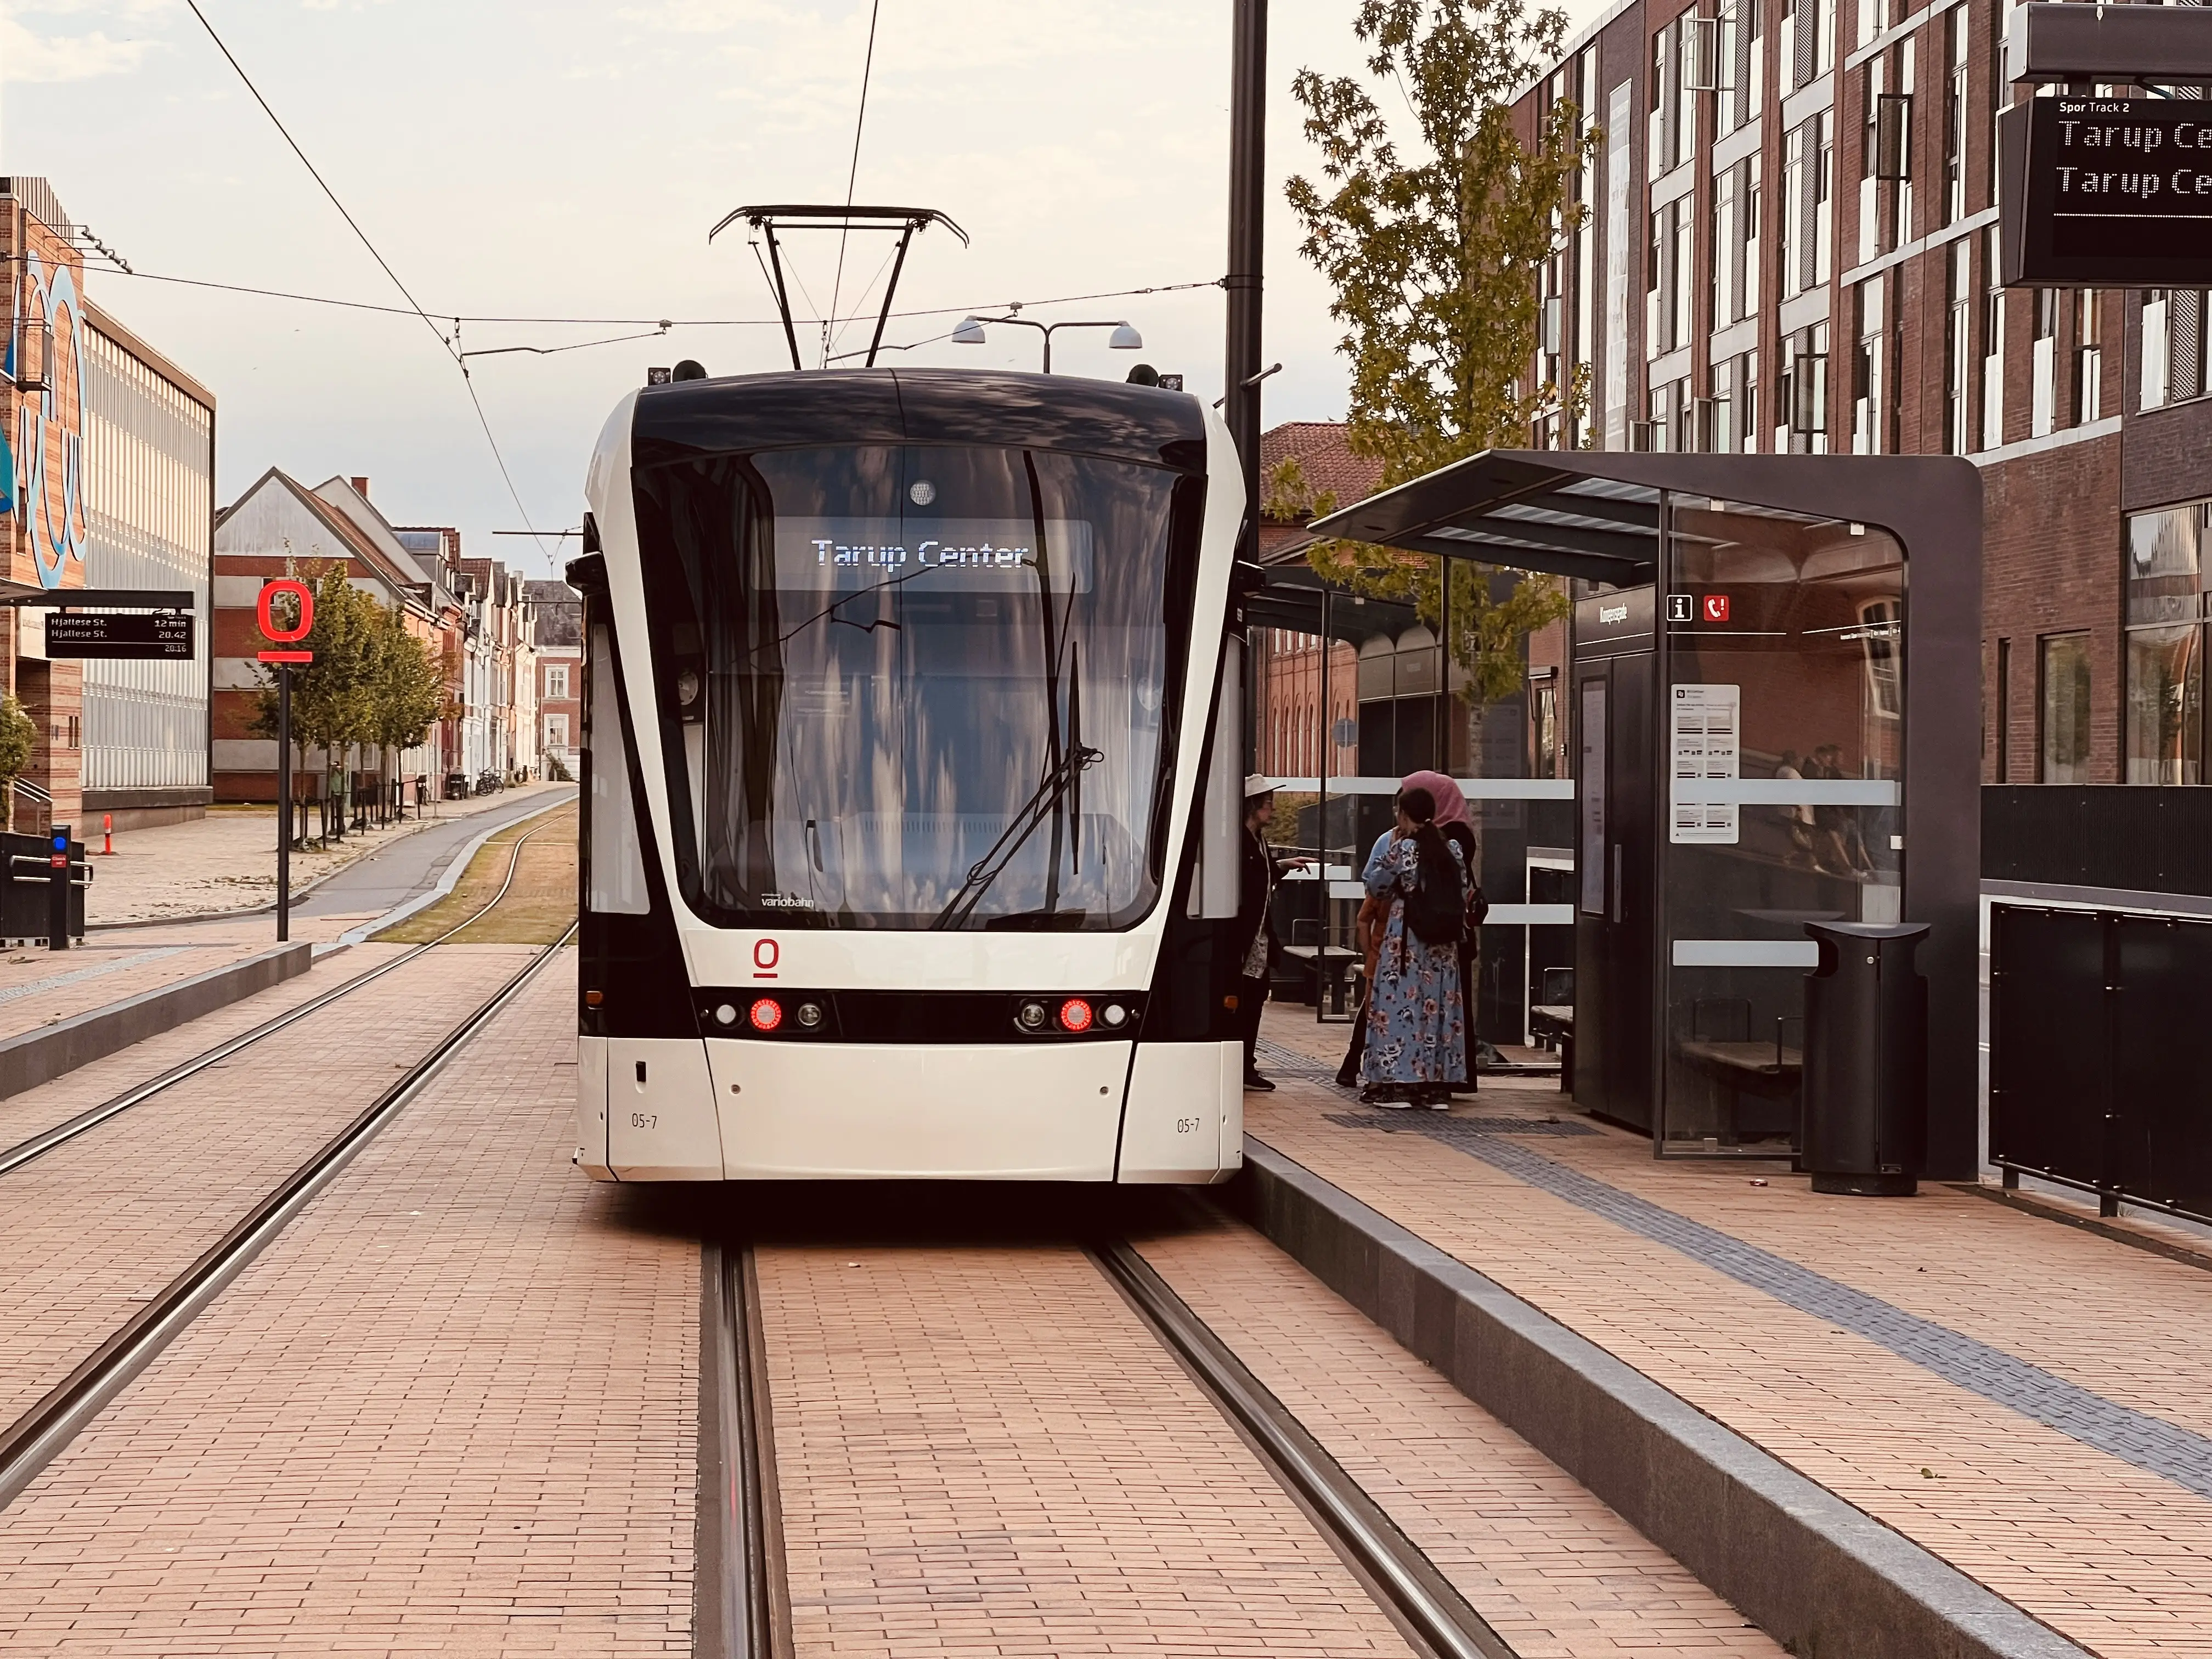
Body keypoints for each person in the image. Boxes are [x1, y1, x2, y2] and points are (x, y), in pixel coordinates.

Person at [1359, 786, 1469, 1109]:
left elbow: (1376, 885)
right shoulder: (1453, 849)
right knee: (1439, 1011)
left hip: (1407, 942)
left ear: (1405, 814)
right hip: (1443, 948)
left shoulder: (1404, 849)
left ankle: (1399, 1086)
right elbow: (1462, 890)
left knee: (1400, 1010)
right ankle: (1435, 1088)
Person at [1401, 769, 1481, 1093]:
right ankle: (1445, 1077)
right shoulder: (1456, 833)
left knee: (1437, 1006)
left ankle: (1436, 1078)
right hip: (1448, 931)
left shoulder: (1448, 838)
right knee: (1446, 1008)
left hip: (1435, 933)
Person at [1235, 776, 1311, 1091]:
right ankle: (1241, 1064)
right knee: (1244, 999)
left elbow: (1261, 872)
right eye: (1268, 803)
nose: (1273, 809)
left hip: (1259, 936)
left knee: (1254, 998)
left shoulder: (1257, 841)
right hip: (1244, 936)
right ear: (1254, 805)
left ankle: (1246, 1063)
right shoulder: (1239, 841)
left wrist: (1283, 865)